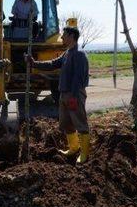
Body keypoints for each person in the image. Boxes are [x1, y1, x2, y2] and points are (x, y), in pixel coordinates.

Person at [25, 26, 91, 163]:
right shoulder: (67, 53)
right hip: (64, 93)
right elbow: (53, 64)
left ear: (72, 36)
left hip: (74, 94)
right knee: (67, 123)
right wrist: (34, 63)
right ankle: (74, 148)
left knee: (80, 123)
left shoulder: (79, 54)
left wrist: (73, 96)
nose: (61, 37)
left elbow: (78, 78)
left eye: (64, 35)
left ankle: (84, 154)